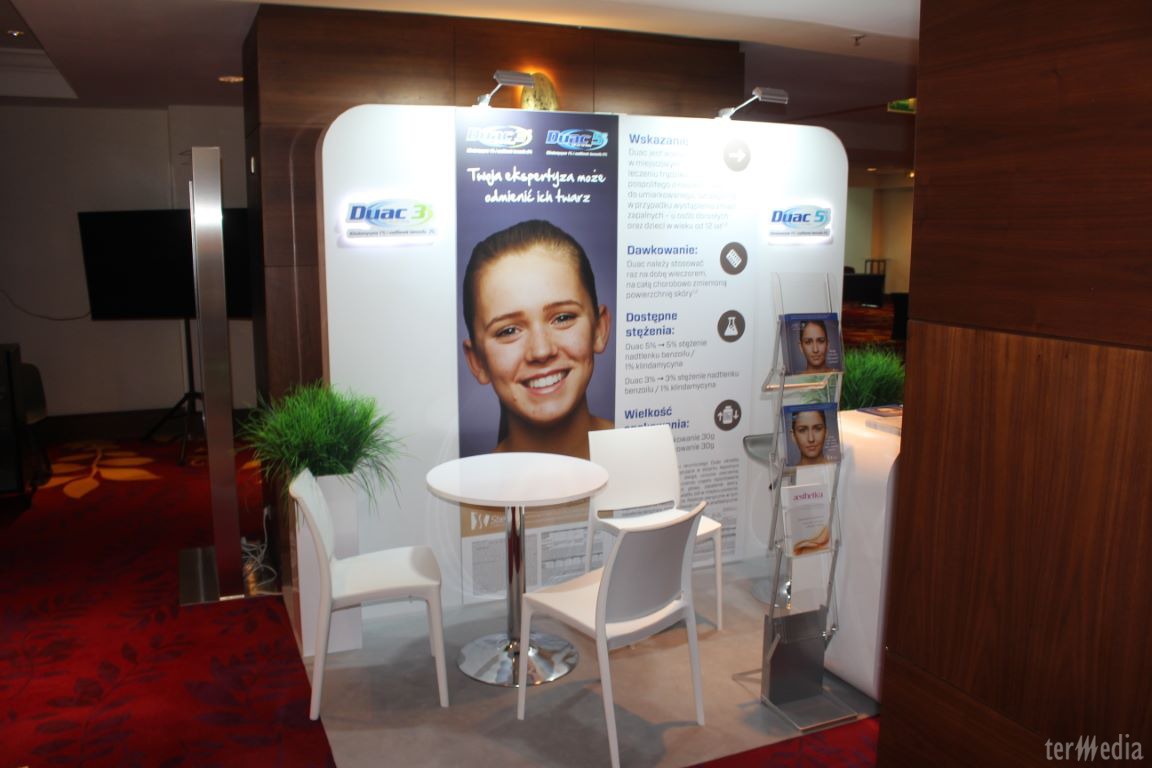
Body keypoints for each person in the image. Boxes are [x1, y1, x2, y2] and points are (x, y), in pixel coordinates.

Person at [462, 219, 612, 458]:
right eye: (508, 331)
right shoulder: (470, 483)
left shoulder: (649, 458)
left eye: (562, 318)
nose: (541, 351)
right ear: (477, 361)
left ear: (599, 329)